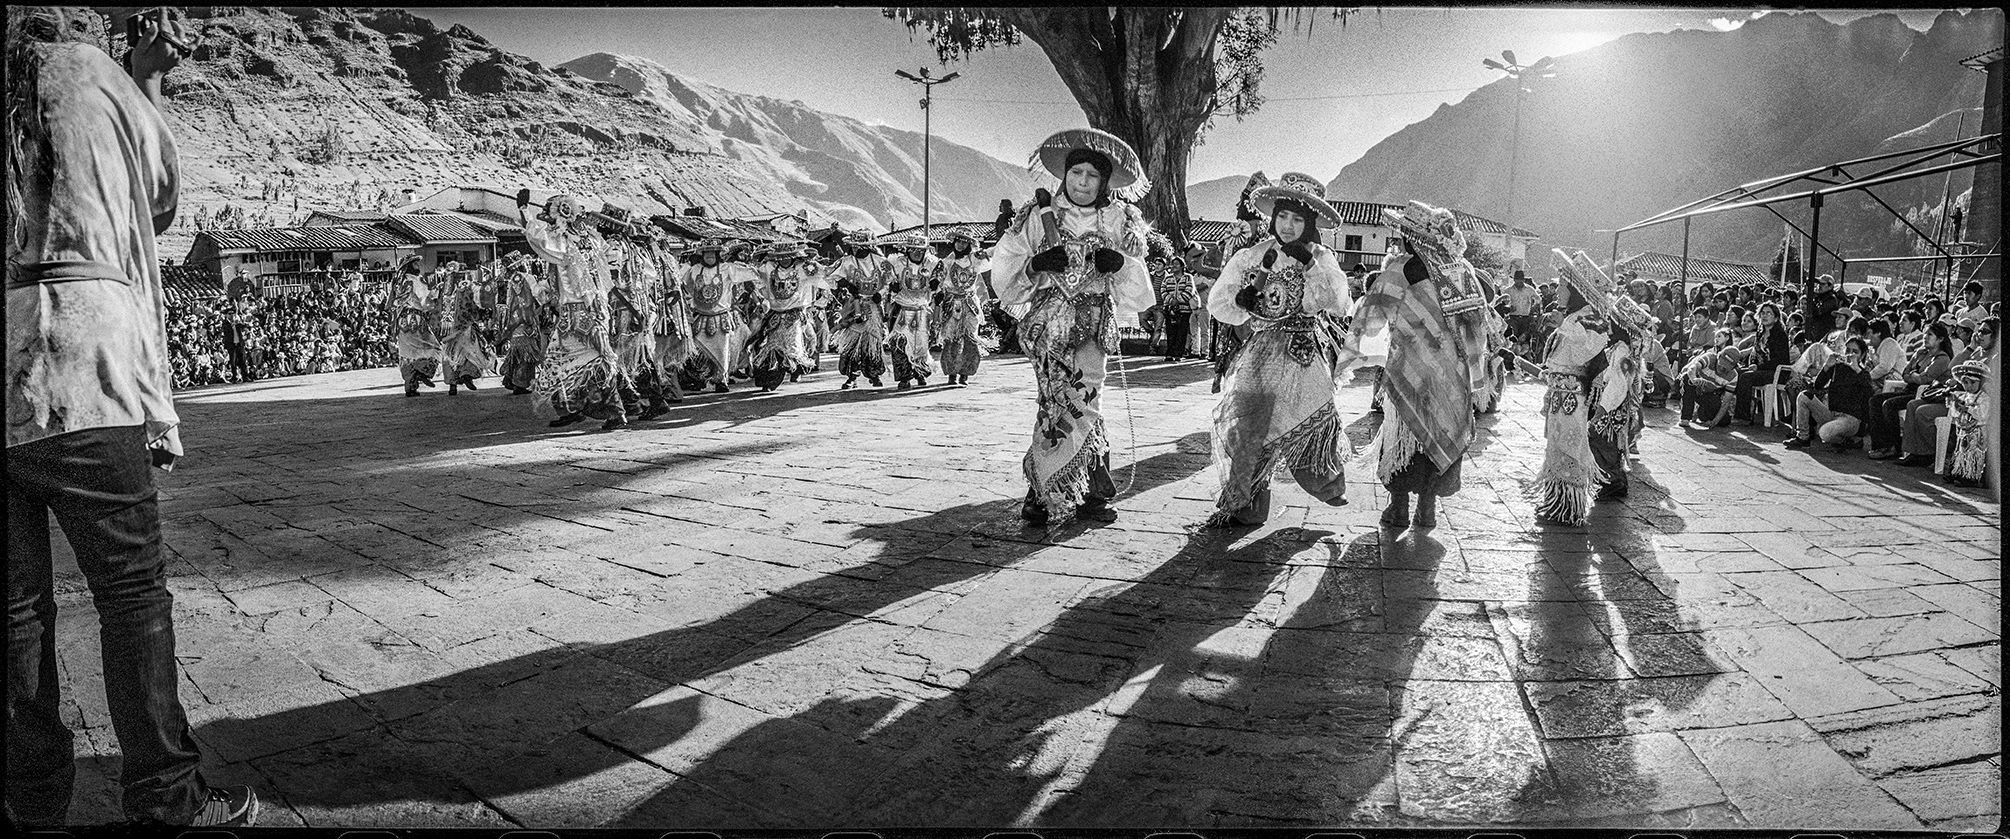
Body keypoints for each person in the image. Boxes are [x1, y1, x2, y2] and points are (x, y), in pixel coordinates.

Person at [6, 7, 260, 827]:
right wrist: (146, 75)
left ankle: (30, 803)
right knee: (131, 597)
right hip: (85, 365)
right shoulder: (93, 73)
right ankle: (167, 797)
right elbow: (158, 202)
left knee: (13, 614)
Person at [991, 127, 1155, 524]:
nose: (1082, 182)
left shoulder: (1120, 218)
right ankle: (1042, 490)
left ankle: (1092, 493)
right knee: (1052, 404)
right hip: (1047, 325)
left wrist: (1119, 265)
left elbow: (1136, 278)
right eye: (1076, 173)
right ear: (1064, 175)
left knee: (1085, 402)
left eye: (1092, 176)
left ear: (1104, 181)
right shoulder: (1036, 215)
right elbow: (1006, 263)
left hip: (1093, 325)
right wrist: (1036, 265)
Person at [1204, 172, 1355, 527]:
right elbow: (1218, 303)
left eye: (1298, 219)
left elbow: (1338, 303)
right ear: (1272, 217)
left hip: (1303, 350)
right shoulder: (1253, 255)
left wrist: (1310, 264)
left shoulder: (1321, 256)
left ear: (1311, 223)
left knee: (1310, 417)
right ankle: (1246, 504)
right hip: (1261, 354)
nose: (1288, 226)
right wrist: (1240, 301)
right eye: (1282, 217)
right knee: (1251, 428)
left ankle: (1327, 484)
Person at [1355, 201, 1491, 528]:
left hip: (1407, 369)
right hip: (1450, 374)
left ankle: (1398, 508)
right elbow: (1477, 328)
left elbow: (1371, 320)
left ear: (1412, 238)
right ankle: (1427, 508)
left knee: (1403, 435)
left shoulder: (1399, 269)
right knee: (1439, 431)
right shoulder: (1462, 273)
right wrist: (1476, 376)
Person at [517, 191, 637, 430]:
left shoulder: (565, 242)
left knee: (570, 362)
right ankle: (574, 407)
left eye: (550, 219)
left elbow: (538, 240)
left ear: (560, 217)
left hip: (577, 315)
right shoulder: (590, 240)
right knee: (578, 362)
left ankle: (614, 411)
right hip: (596, 310)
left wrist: (523, 211)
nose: (548, 224)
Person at [1531, 249, 1624, 526]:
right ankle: (1556, 502)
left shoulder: (1589, 316)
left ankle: (1568, 508)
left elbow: (1589, 346)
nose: (1557, 289)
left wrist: (1563, 326)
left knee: (1569, 447)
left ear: (1575, 290)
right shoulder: (1573, 316)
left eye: (1562, 285)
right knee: (1556, 447)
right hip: (1561, 392)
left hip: (1573, 393)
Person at [743, 241, 825, 392]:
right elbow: (752, 274)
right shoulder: (769, 268)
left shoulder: (803, 268)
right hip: (775, 315)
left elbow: (825, 274)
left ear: (794, 257)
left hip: (794, 315)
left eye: (788, 256)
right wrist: (749, 282)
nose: (784, 260)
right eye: (780, 257)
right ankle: (769, 380)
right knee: (772, 346)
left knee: (793, 346)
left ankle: (797, 368)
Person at [679, 239, 756, 394]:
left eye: (712, 254)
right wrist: (687, 264)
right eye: (706, 254)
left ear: (717, 255)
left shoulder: (727, 268)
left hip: (721, 318)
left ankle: (721, 380)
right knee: (697, 350)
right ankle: (701, 377)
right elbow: (679, 279)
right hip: (701, 317)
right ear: (702, 255)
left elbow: (750, 273)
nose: (709, 257)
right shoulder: (695, 269)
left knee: (722, 351)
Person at [1784, 337, 1876, 451]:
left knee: (1824, 433)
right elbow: (1817, 386)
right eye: (1847, 350)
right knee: (1804, 396)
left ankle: (1848, 441)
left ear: (1862, 355)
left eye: (1855, 352)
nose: (1850, 354)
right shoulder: (1837, 368)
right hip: (1832, 414)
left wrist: (1856, 369)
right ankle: (1802, 437)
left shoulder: (1863, 373)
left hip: (1850, 419)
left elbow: (1869, 395)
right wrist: (1826, 366)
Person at [639, 236, 692, 412]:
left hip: (662, 315)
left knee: (657, 356)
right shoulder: (666, 259)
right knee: (663, 357)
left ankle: (662, 395)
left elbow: (671, 289)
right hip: (668, 314)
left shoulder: (655, 258)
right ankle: (669, 393)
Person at [932, 229, 989, 385]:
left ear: (969, 244)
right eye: (958, 241)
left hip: (969, 304)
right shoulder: (946, 262)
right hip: (952, 304)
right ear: (954, 242)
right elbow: (938, 281)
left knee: (970, 338)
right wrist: (938, 292)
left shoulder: (976, 260)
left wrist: (984, 254)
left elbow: (991, 257)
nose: (960, 244)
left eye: (964, 242)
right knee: (951, 339)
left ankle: (965, 374)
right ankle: (952, 374)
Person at [886, 233, 937, 389]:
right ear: (907, 250)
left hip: (922, 311)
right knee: (899, 344)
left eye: (920, 250)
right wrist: (891, 285)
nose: (917, 253)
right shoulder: (897, 263)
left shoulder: (932, 264)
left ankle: (920, 372)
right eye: (913, 249)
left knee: (921, 345)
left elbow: (942, 280)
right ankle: (904, 377)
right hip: (901, 309)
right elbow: (887, 275)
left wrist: (937, 287)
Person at [435, 262, 492, 395]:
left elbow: (434, 309)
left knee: (450, 355)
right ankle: (467, 374)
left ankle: (452, 385)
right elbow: (476, 303)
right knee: (470, 351)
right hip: (464, 327)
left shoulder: (442, 289)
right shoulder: (467, 287)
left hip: (447, 330)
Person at [496, 254, 549, 395]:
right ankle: (519, 384)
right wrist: (545, 288)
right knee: (527, 354)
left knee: (516, 351)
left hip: (514, 322)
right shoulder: (528, 278)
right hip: (527, 321)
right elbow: (539, 296)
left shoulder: (509, 281)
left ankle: (510, 379)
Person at [391, 267, 443, 397]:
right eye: (415, 264)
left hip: (401, 322)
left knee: (407, 353)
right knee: (433, 347)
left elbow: (392, 303)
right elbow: (425, 303)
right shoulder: (415, 280)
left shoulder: (398, 281)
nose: (418, 267)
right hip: (416, 320)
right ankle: (423, 372)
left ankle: (410, 386)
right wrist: (435, 294)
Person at [1680, 327, 1741, 427]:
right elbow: (1692, 368)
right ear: (1719, 356)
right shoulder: (1709, 357)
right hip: (1696, 386)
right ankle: (1686, 417)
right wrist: (1694, 379)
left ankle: (1701, 412)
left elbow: (1726, 402)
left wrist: (1714, 422)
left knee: (1724, 421)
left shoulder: (1733, 376)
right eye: (1721, 364)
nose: (1721, 368)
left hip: (1709, 393)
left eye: (1726, 367)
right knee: (1687, 379)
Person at [1157, 261, 1199, 363]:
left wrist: (1179, 300)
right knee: (1170, 332)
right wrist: (1171, 301)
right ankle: (1169, 353)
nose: (1173, 266)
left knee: (1181, 332)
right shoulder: (1168, 278)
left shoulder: (1188, 277)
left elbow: (1190, 290)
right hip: (1170, 309)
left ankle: (1178, 354)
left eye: (1176, 264)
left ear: (1181, 266)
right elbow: (1163, 290)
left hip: (1184, 309)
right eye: (1172, 264)